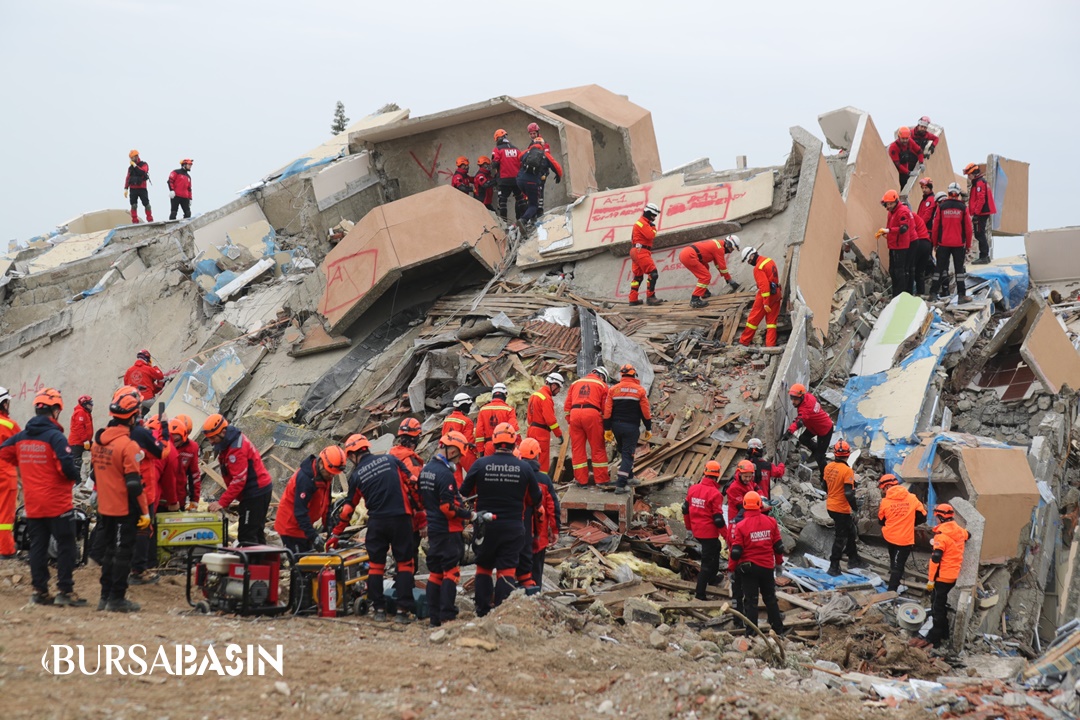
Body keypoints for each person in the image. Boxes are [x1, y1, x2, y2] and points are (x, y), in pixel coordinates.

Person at [0, 388, 86, 606]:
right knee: (66, 544)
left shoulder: (21, 436)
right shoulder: (55, 437)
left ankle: (39, 591)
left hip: (33, 503)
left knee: (38, 545)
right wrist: (73, 478)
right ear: (56, 411)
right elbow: (67, 465)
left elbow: (3, 453)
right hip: (57, 503)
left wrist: (25, 469)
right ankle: (65, 591)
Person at [331, 433, 420, 623]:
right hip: (400, 518)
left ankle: (378, 609)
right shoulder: (391, 460)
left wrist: (335, 534)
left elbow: (348, 509)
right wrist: (421, 508)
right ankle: (402, 611)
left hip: (377, 523)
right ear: (366, 447)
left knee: (376, 566)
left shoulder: (356, 476)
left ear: (352, 455)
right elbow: (413, 482)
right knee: (405, 564)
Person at [460, 423, 542, 616]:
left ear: (494, 441)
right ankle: (501, 613)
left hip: (485, 527)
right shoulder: (524, 468)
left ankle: (482, 611)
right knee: (506, 571)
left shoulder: (480, 465)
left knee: (483, 568)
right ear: (514, 443)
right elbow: (536, 499)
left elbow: (463, 493)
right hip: (513, 527)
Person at [92, 386, 150, 612]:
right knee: (123, 552)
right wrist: (145, 512)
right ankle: (116, 598)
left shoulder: (98, 442)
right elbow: (134, 484)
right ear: (133, 417)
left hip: (104, 506)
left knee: (108, 552)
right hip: (123, 508)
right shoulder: (128, 445)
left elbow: (97, 474)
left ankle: (105, 596)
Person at [418, 431, 473, 626]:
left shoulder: (425, 471)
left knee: (435, 574)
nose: (458, 461)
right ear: (451, 450)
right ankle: (447, 615)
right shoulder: (445, 475)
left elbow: (423, 500)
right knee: (451, 573)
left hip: (434, 529)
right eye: (458, 456)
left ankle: (434, 618)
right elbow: (447, 508)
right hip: (449, 530)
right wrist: (469, 515)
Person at [204, 414, 273, 544]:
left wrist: (222, 502)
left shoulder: (236, 449)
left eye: (213, 438)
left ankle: (252, 562)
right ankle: (262, 561)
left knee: (247, 536)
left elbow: (239, 480)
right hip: (256, 491)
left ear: (223, 432)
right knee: (256, 531)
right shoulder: (229, 442)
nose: (211, 442)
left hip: (255, 493)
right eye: (209, 439)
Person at [729, 491, 787, 636]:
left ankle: (751, 634)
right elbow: (778, 546)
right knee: (770, 599)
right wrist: (779, 564)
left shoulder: (741, 526)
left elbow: (736, 551)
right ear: (760, 504)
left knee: (751, 601)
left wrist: (731, 569)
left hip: (749, 569)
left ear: (744, 505)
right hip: (767, 567)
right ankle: (778, 630)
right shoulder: (771, 522)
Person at [274, 446, 345, 555]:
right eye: (329, 472)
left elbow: (327, 503)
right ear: (321, 463)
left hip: (304, 526)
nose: (331, 476)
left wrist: (329, 527)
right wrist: (314, 536)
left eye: (334, 473)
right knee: (301, 564)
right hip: (291, 527)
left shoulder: (325, 476)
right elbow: (300, 512)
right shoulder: (305, 480)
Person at [917, 503, 969, 648]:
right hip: (954, 575)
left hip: (942, 576)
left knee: (937, 607)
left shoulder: (941, 536)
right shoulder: (959, 530)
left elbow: (936, 558)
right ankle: (945, 633)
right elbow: (968, 535)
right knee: (941, 603)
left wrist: (931, 580)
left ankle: (936, 637)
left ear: (940, 517)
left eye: (937, 517)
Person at [129, 415, 168, 584]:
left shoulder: (114, 435)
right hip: (144, 493)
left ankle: (128, 567)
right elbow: (163, 451)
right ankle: (138, 571)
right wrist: (165, 430)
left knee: (127, 530)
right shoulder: (140, 436)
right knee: (144, 530)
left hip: (123, 491)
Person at [603, 363, 652, 494]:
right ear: (634, 374)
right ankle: (620, 484)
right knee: (628, 455)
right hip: (631, 427)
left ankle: (629, 478)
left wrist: (607, 428)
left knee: (623, 451)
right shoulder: (640, 390)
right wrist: (648, 428)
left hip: (616, 427)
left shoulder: (613, 390)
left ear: (621, 374)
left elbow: (607, 411)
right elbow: (645, 412)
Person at [519, 438, 559, 588]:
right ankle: (534, 600)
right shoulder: (543, 479)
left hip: (517, 534)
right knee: (536, 573)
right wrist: (555, 530)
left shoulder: (515, 476)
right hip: (538, 537)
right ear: (537, 456)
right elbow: (552, 507)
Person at [683, 461, 725, 601]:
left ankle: (712, 578)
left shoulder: (693, 489)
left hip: (697, 530)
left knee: (717, 547)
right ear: (717, 475)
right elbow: (718, 519)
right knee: (707, 562)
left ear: (705, 472)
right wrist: (728, 537)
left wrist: (689, 527)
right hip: (708, 533)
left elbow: (685, 509)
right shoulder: (715, 494)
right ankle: (700, 593)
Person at [877, 474, 927, 592]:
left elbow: (881, 521)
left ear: (887, 486)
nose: (883, 492)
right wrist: (909, 522)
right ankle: (895, 579)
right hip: (905, 539)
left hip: (890, 536)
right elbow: (923, 516)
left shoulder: (885, 502)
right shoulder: (912, 498)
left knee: (895, 563)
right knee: (898, 564)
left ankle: (891, 591)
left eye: (883, 489)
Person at [821, 439, 863, 576]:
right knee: (841, 537)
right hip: (841, 509)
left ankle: (853, 559)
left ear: (835, 454)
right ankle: (834, 566)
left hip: (831, 505)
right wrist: (855, 508)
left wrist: (833, 494)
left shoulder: (828, 467)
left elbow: (824, 486)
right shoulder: (847, 471)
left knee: (851, 531)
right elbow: (848, 493)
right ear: (848, 454)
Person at [389, 418, 426, 572]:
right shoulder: (412, 462)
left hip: (390, 514)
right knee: (410, 553)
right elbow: (415, 491)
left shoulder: (389, 457)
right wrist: (422, 519)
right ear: (415, 439)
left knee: (399, 553)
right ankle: (408, 589)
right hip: (408, 516)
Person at [564, 367, 610, 486]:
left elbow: (567, 405)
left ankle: (581, 481)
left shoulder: (575, 383)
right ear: (602, 376)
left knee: (577, 449)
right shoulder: (602, 385)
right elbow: (605, 408)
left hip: (574, 414)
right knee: (598, 447)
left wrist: (570, 420)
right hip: (592, 414)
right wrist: (607, 426)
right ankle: (601, 480)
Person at [929, 183, 974, 302]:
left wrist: (934, 243)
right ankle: (961, 295)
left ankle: (933, 293)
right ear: (958, 193)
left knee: (939, 269)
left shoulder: (941, 207)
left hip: (943, 243)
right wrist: (968, 245)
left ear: (948, 192)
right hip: (959, 244)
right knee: (959, 270)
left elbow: (935, 226)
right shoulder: (963, 208)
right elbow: (968, 228)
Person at [782, 384, 833, 476]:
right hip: (814, 427)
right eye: (792, 399)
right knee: (803, 438)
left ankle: (825, 477)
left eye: (796, 399)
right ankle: (816, 450)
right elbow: (817, 400)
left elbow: (799, 422)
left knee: (820, 457)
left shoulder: (805, 409)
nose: (793, 402)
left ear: (801, 397)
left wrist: (789, 432)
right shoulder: (808, 396)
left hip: (824, 430)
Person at [678, 235, 740, 308]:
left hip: (688, 254)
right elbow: (722, 267)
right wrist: (730, 280)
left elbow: (718, 264)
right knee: (705, 277)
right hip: (689, 255)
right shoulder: (719, 248)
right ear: (728, 244)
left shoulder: (718, 244)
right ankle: (694, 299)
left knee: (706, 268)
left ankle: (703, 292)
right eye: (731, 249)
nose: (730, 251)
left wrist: (726, 278)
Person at [738, 246, 782, 347]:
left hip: (766, 296)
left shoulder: (758, 268)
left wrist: (765, 302)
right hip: (776, 293)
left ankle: (744, 342)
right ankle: (770, 345)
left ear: (752, 256)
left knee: (752, 320)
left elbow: (764, 286)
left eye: (748, 260)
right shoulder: (769, 260)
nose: (749, 263)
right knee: (771, 322)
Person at [876, 189, 916, 298]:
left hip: (901, 245)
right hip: (894, 245)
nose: (888, 206)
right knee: (893, 270)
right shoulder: (891, 213)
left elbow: (904, 228)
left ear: (895, 202)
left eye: (890, 204)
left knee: (900, 271)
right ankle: (895, 294)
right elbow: (891, 226)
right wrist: (886, 233)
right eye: (887, 204)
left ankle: (901, 295)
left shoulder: (902, 211)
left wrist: (888, 231)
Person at [516, 136, 562, 225]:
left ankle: (532, 219)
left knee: (529, 199)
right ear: (542, 145)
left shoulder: (527, 152)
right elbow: (557, 167)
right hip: (532, 182)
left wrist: (529, 150)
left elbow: (519, 157)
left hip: (520, 181)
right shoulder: (545, 155)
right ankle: (523, 220)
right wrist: (558, 176)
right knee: (534, 205)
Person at [526, 372, 564, 474]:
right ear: (554, 385)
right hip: (541, 433)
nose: (558, 391)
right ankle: (542, 483)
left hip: (531, 430)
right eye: (558, 387)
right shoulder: (546, 398)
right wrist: (559, 434)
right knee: (543, 460)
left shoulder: (534, 395)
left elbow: (529, 415)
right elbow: (550, 420)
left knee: (530, 457)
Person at [629, 203, 663, 306]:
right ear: (648, 213)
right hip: (641, 251)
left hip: (636, 250)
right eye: (653, 216)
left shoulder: (639, 223)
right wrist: (653, 228)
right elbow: (650, 235)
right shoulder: (643, 223)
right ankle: (651, 297)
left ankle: (633, 299)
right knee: (653, 273)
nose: (654, 218)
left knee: (638, 277)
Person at [964, 163, 996, 265]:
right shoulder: (978, 182)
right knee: (980, 233)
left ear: (973, 173)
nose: (968, 177)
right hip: (981, 212)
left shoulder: (979, 183)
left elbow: (980, 199)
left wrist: (976, 214)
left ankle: (984, 256)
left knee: (979, 234)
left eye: (969, 174)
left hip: (981, 213)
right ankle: (984, 255)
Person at [0, 387, 19, 558]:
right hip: (5, 474)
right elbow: (23, 448)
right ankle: (6, 549)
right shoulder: (9, 425)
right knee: (5, 513)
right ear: (3, 403)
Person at [475, 383, 518, 456]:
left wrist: (480, 450)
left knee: (488, 467)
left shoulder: (483, 410)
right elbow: (513, 429)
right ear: (505, 394)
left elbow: (479, 432)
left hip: (488, 446)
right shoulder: (509, 410)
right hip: (504, 447)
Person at [491, 129, 525, 221]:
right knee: (520, 200)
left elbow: (494, 164)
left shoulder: (497, 149)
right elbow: (522, 163)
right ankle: (525, 220)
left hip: (504, 179)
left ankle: (504, 222)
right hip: (517, 179)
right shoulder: (516, 149)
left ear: (497, 139)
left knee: (502, 202)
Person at [442, 393, 477, 481]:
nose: (469, 407)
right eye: (468, 405)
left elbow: (443, 436)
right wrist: (476, 451)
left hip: (449, 452)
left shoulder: (447, 419)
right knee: (475, 476)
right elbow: (468, 440)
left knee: (456, 480)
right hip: (464, 452)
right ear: (464, 405)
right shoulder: (466, 421)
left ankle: (458, 494)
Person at [169, 416, 201, 510]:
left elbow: (194, 475)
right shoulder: (164, 445)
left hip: (179, 499)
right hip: (162, 498)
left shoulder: (192, 448)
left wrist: (194, 500)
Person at [67, 395, 94, 477]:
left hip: (84, 441)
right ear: (85, 404)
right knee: (76, 462)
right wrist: (85, 440)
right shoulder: (80, 412)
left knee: (96, 454)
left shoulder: (85, 412)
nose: (91, 406)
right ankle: (76, 481)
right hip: (77, 442)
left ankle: (90, 477)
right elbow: (79, 427)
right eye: (90, 404)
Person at [124, 150, 153, 223]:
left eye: (133, 157)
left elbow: (142, 172)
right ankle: (134, 221)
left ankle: (150, 219)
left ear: (137, 156)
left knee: (146, 204)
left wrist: (135, 166)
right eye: (131, 158)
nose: (132, 159)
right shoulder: (130, 168)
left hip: (142, 188)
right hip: (133, 189)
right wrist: (126, 188)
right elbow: (128, 178)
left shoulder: (144, 164)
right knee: (133, 205)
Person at [909, 210, 933, 297]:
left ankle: (909, 293)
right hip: (926, 243)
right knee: (920, 271)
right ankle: (920, 292)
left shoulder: (909, 217)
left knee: (911, 269)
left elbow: (909, 232)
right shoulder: (916, 216)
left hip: (918, 243)